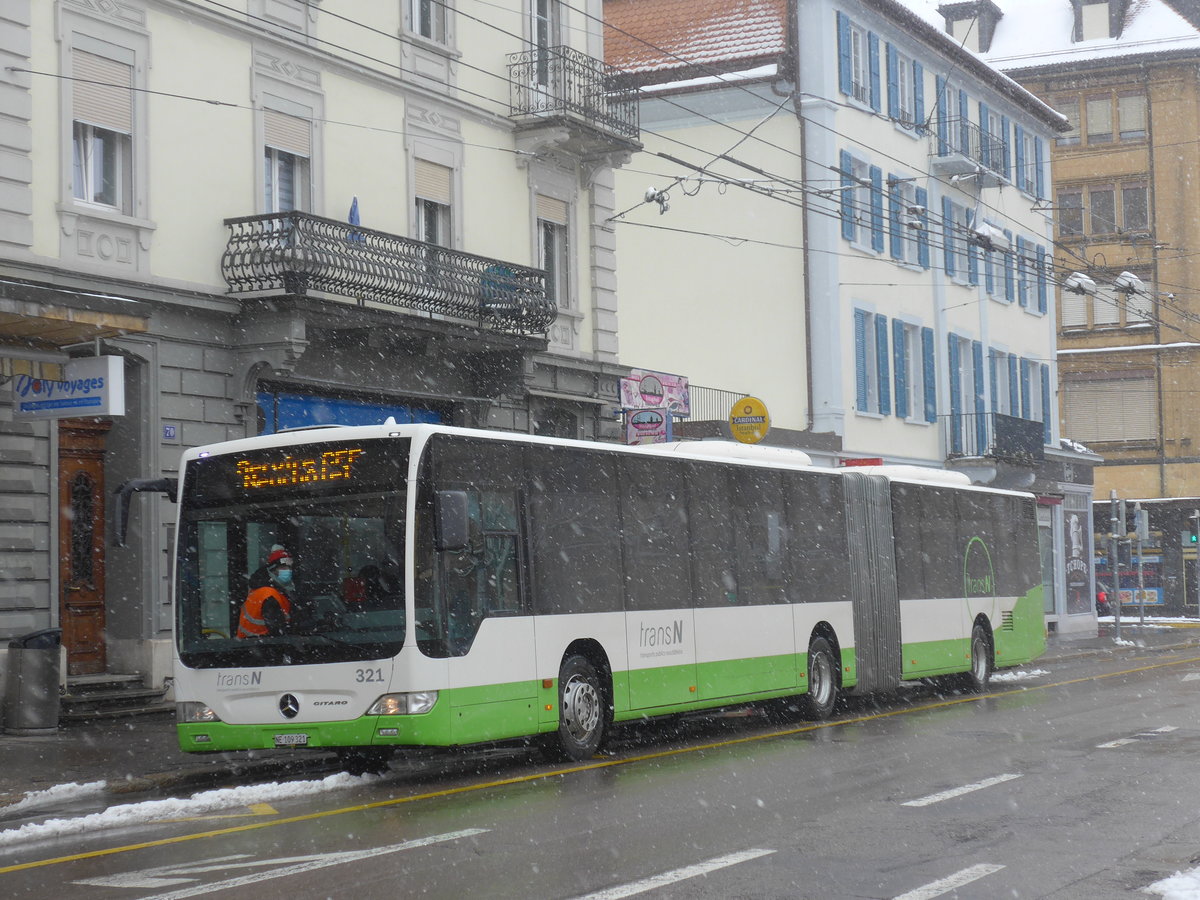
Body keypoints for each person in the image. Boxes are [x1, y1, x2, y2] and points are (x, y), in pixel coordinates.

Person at [237, 547, 295, 638]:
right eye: (283, 567)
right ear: (273, 569)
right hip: (263, 645)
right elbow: (276, 629)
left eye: (289, 567)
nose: (288, 570)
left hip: (253, 644)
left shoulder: (267, 588)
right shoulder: (269, 594)